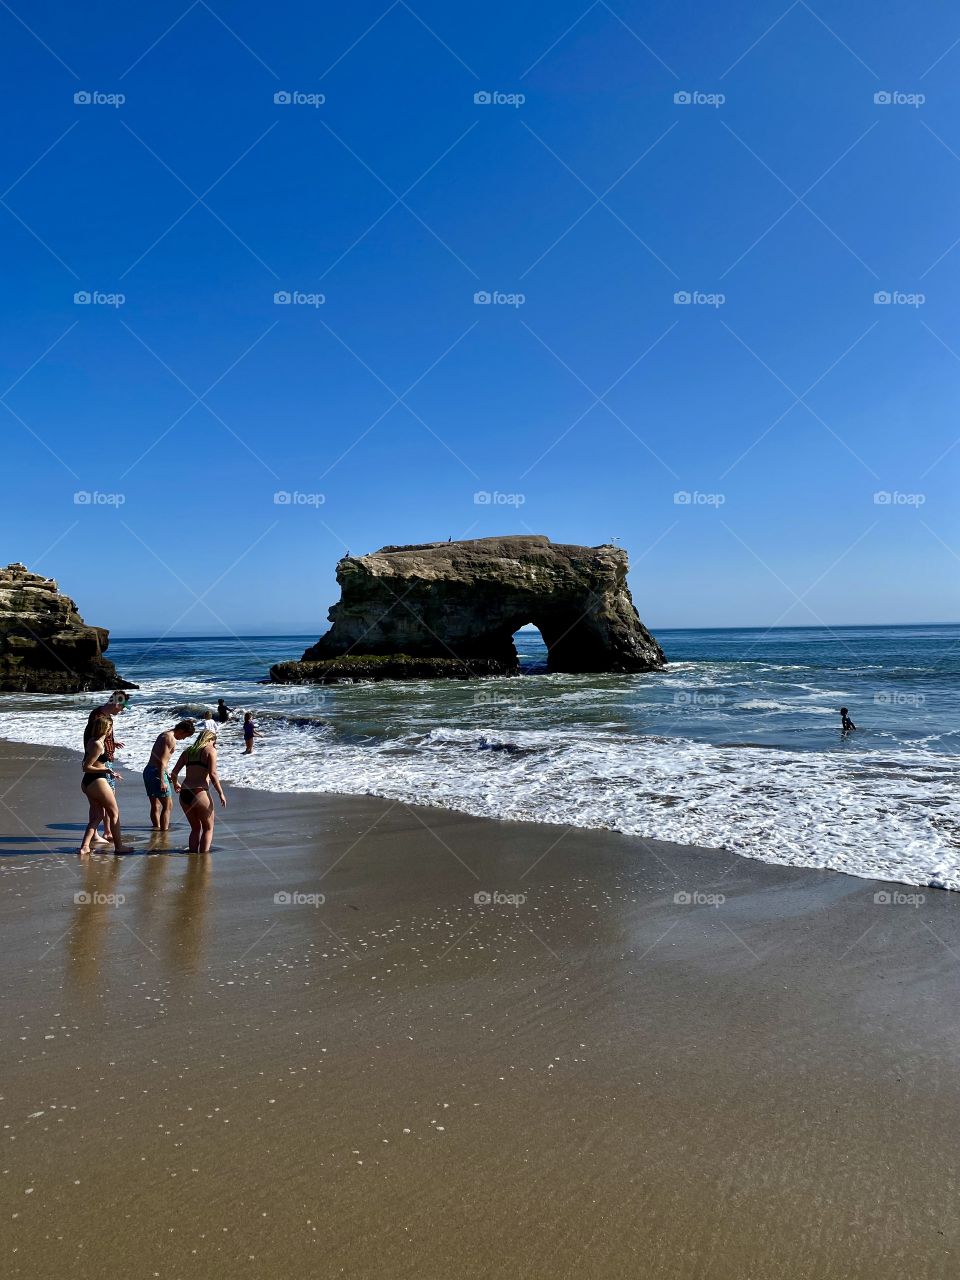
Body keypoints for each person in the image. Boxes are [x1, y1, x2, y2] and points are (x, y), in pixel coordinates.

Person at [78, 716, 133, 856]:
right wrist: (106, 770)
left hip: (88, 782)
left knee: (97, 816)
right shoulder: (97, 744)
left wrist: (110, 772)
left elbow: (91, 762)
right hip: (96, 781)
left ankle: (84, 847)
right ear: (105, 728)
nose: (111, 730)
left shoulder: (93, 741)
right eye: (110, 727)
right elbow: (86, 767)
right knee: (114, 813)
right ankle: (119, 847)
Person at [170, 729, 226, 853]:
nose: (214, 745)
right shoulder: (210, 750)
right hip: (199, 792)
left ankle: (193, 856)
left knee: (195, 828)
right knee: (208, 828)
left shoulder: (188, 751)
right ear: (210, 739)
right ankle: (204, 858)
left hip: (185, 793)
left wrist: (175, 784)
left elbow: (173, 773)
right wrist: (220, 793)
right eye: (214, 742)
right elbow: (213, 774)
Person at [143, 720, 196, 830]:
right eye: (185, 736)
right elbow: (162, 761)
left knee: (155, 804)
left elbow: (159, 758)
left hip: (149, 770)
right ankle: (163, 832)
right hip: (156, 773)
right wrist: (162, 780)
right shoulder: (170, 739)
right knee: (168, 805)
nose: (184, 739)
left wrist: (168, 776)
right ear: (181, 730)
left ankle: (156, 828)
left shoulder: (164, 734)